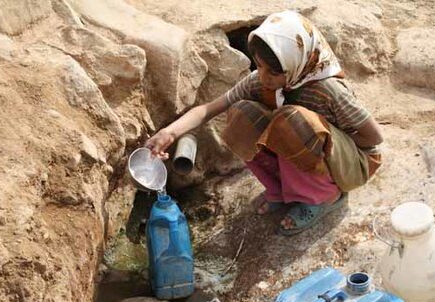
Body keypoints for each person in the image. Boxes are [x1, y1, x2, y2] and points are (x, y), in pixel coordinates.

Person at [145, 10, 383, 236]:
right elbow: (209, 109)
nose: (263, 76)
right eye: (258, 65)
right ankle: (282, 190)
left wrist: (328, 143)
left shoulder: (328, 90)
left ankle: (324, 197)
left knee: (291, 121)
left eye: (273, 71)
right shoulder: (260, 82)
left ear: (296, 63)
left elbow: (373, 139)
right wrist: (169, 133)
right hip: (304, 151)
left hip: (347, 164)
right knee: (241, 114)